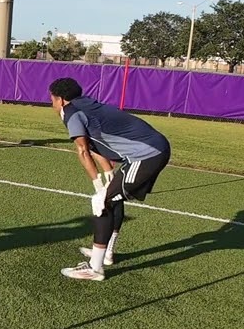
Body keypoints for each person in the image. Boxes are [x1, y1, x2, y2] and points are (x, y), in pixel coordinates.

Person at [49, 77, 171, 281]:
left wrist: (98, 186)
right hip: (152, 150)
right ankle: (107, 254)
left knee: (101, 201)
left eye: (51, 99)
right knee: (113, 199)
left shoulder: (71, 112)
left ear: (60, 99)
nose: (51, 104)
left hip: (146, 155)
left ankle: (94, 269)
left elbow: (83, 150)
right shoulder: (86, 104)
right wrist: (107, 175)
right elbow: (96, 144)